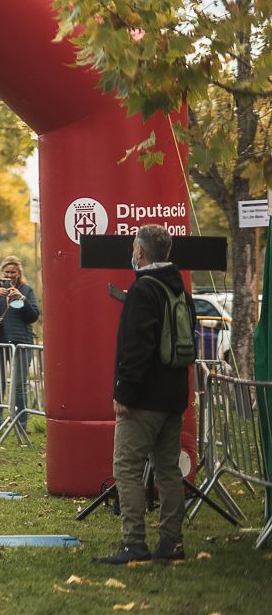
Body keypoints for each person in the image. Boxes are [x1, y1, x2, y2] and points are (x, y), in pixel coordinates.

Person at [94, 224, 193, 565]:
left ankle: (133, 542)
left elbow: (136, 349)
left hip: (144, 398)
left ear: (139, 252)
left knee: (127, 467)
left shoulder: (143, 291)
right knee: (168, 470)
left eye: (134, 247)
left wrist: (124, 392)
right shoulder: (180, 289)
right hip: (174, 395)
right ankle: (172, 544)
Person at [0, 256, 39, 434]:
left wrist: (22, 299)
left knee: (20, 385)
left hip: (21, 343)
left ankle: (20, 424)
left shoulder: (26, 290)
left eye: (13, 272)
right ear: (1, 273)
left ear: (19, 274)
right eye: (7, 273)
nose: (10, 276)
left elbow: (33, 316)